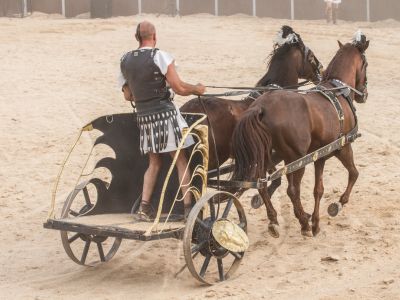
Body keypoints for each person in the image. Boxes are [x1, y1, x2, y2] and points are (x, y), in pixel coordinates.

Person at [119, 21, 206, 221]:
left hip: (145, 119)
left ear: (136, 38)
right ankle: (187, 209)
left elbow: (128, 96)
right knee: (181, 160)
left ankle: (144, 207)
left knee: (154, 163)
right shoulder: (160, 56)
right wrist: (197, 89)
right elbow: (179, 88)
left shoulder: (125, 60)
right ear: (155, 36)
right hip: (165, 117)